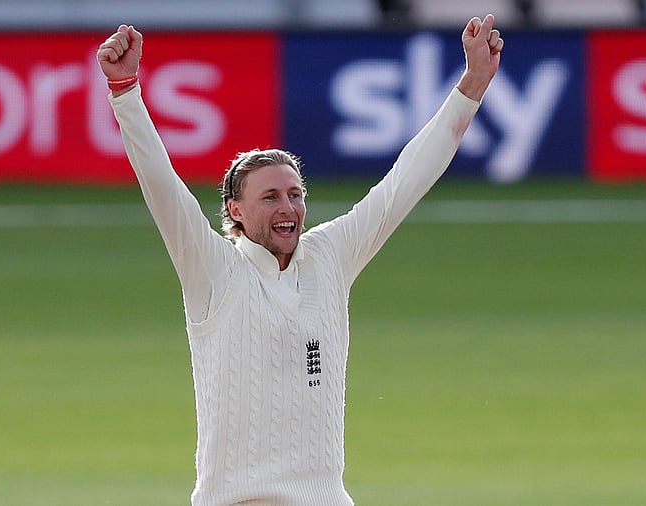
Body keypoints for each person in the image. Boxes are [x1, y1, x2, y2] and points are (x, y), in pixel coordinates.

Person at [97, 14, 503, 506]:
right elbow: (161, 184)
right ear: (235, 211)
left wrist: (473, 84)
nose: (288, 208)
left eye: (294, 194)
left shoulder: (329, 256)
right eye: (270, 197)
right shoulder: (213, 269)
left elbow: (404, 182)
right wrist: (125, 92)